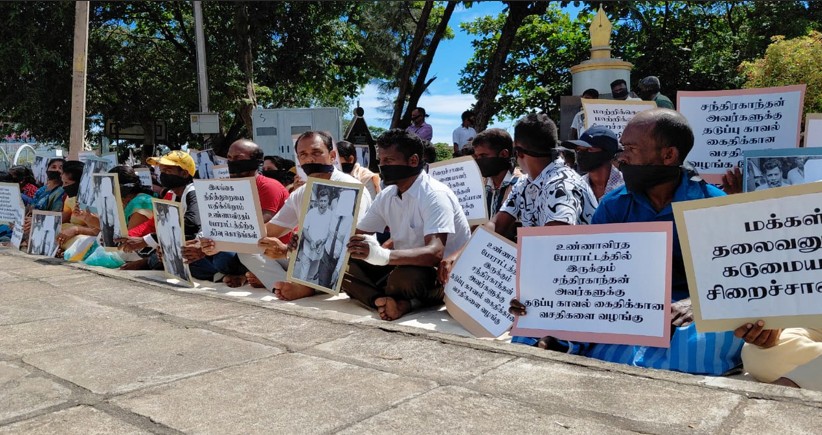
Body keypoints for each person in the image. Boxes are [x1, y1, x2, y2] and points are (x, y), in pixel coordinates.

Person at [510, 108, 744, 376]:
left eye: (631, 149)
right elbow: (585, 273)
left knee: (714, 335)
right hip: (618, 306)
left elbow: (734, 279)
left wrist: (696, 303)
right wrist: (540, 301)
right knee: (530, 327)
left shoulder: (712, 205)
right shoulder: (614, 204)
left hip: (684, 313)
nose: (621, 158)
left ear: (669, 155)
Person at [440, 114, 597, 283]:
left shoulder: (562, 186)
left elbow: (555, 247)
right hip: (546, 273)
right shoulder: (524, 183)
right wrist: (458, 255)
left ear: (518, 152)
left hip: (575, 281)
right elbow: (496, 224)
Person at [220, 131, 371, 300]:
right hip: (303, 258)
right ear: (298, 159)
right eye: (303, 155)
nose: (309, 159)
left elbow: (341, 243)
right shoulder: (302, 193)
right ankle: (289, 283)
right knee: (248, 252)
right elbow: (271, 230)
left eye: (316, 153)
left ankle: (303, 287)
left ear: (332, 155)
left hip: (344, 262)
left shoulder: (349, 188)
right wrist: (220, 239)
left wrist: (287, 252)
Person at [343, 129, 470, 321]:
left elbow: (434, 254)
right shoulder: (387, 195)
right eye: (381, 161)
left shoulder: (435, 195)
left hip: (438, 274)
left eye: (389, 161)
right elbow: (358, 233)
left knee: (404, 277)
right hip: (400, 263)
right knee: (343, 264)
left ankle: (398, 299)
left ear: (413, 161)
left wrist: (382, 256)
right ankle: (381, 300)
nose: (382, 166)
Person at [195, 140, 290, 287]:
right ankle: (245, 275)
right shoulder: (229, 187)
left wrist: (220, 241)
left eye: (238, 158)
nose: (232, 162)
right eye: (230, 158)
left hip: (277, 250)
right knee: (195, 256)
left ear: (255, 162)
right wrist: (205, 244)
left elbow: (259, 229)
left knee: (237, 256)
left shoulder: (269, 186)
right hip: (246, 247)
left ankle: (283, 283)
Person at [561, 125, 624, 201]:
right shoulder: (575, 187)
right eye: (578, 149)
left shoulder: (627, 187)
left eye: (589, 149)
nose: (581, 154)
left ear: (607, 152)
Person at [470, 128, 520, 223]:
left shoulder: (521, 186)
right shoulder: (480, 186)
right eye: (477, 157)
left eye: (484, 156)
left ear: (504, 154)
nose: (479, 161)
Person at [296, 188, 334, 281]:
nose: (323, 203)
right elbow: (304, 229)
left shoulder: (331, 215)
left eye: (325, 201)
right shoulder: (311, 212)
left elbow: (330, 233)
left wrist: (322, 242)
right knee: (303, 275)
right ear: (318, 201)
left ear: (328, 201)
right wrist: (311, 241)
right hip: (307, 249)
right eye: (321, 201)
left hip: (319, 251)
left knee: (311, 276)